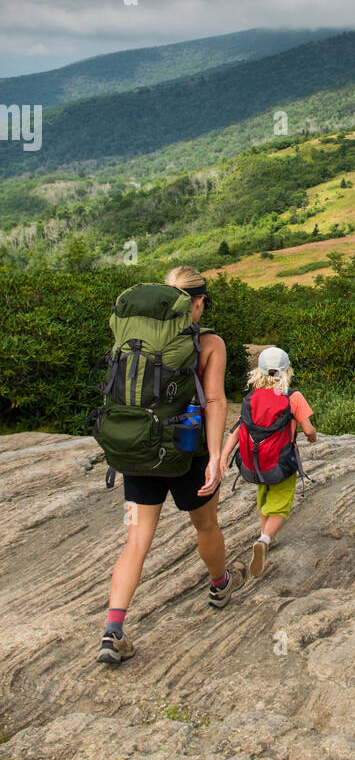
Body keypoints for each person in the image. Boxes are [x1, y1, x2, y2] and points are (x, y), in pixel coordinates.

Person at [97, 265, 246, 665]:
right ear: (197, 303)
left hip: (139, 449)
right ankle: (220, 584)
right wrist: (216, 457)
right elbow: (214, 401)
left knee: (136, 540)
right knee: (206, 524)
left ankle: (113, 631)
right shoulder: (210, 343)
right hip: (186, 452)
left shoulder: (132, 336)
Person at [220, 346, 316, 579]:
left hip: (253, 465)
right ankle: (264, 539)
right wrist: (312, 436)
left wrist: (223, 458)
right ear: (287, 371)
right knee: (281, 506)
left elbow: (236, 432)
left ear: (259, 372)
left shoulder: (250, 398)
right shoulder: (293, 397)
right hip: (281, 464)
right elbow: (308, 429)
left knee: (264, 500)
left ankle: (265, 536)